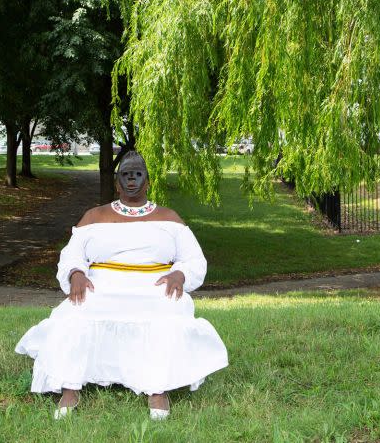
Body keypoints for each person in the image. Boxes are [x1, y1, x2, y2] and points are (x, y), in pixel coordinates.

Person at [15, 151, 228, 420]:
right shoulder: (94, 216)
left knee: (168, 313)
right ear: (117, 183)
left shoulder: (170, 218)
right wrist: (76, 273)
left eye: (137, 175)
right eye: (125, 175)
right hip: (101, 286)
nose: (131, 180)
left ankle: (158, 388)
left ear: (148, 182)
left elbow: (194, 258)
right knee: (76, 313)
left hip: (154, 286)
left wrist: (180, 274)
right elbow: (71, 255)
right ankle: (70, 386)